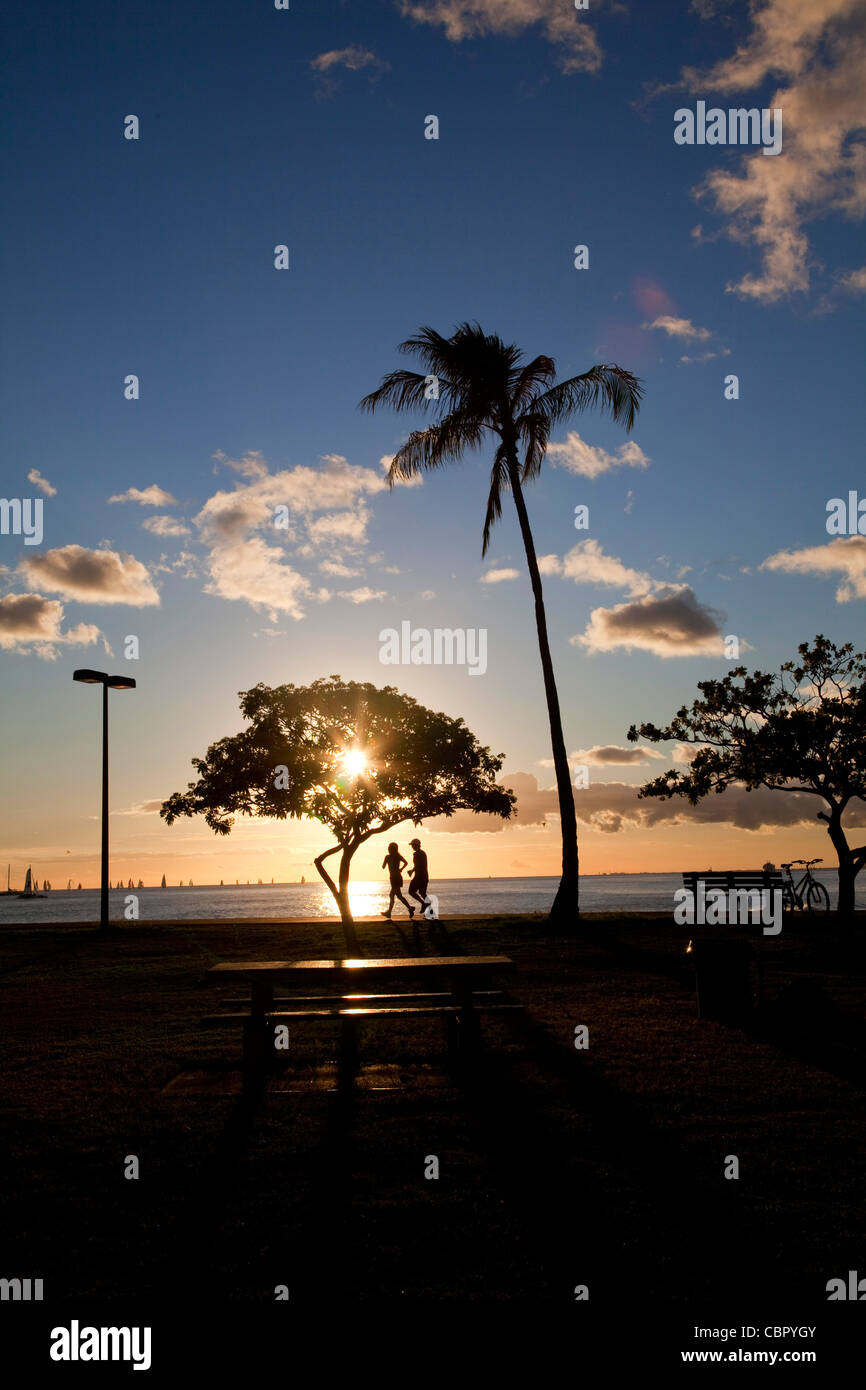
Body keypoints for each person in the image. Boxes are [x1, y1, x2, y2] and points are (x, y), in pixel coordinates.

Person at [381, 842, 414, 920]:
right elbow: (406, 863)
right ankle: (410, 908)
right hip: (395, 877)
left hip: (395, 878)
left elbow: (383, 866)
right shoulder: (396, 856)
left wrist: (400, 869)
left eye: (389, 848)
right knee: (398, 896)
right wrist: (401, 869)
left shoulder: (388, 857)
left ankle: (389, 912)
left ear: (392, 849)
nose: (388, 849)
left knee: (392, 895)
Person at [407, 838, 431, 915]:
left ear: (416, 845)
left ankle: (423, 903)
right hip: (424, 876)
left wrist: (412, 871)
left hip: (419, 876)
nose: (412, 847)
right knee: (422, 893)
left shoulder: (417, 854)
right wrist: (412, 870)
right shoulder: (422, 853)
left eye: (412, 845)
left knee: (411, 891)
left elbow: (418, 864)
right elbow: (418, 864)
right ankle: (431, 911)